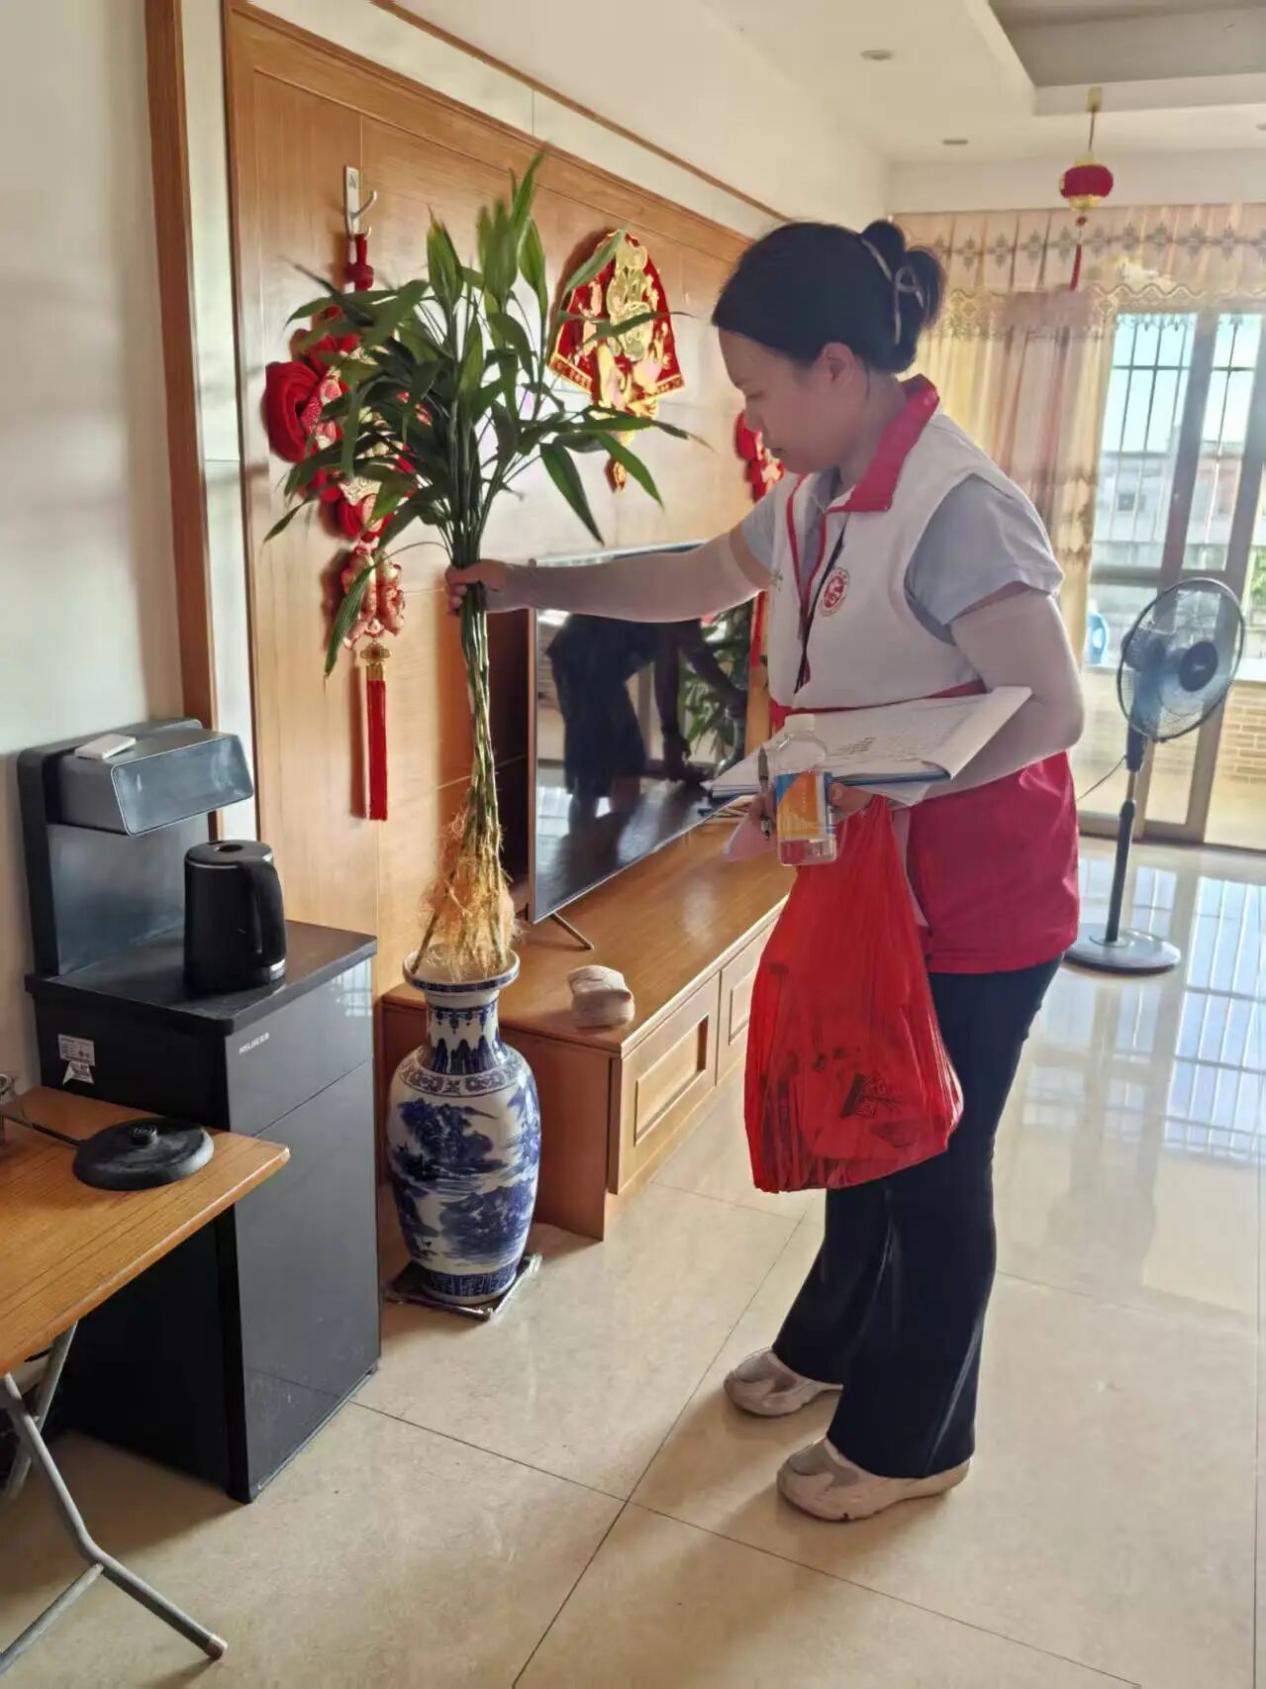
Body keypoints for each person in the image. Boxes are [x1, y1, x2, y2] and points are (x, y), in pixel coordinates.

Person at [447, 219, 1084, 1524]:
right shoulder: (811, 496)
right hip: (864, 881)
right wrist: (529, 584)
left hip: (976, 906)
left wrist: (883, 783)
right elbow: (696, 577)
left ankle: (917, 1440)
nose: (752, 418)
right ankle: (831, 1342)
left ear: (837, 366)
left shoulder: (957, 507)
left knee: (931, 1161)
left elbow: (1052, 710)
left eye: (758, 390)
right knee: (862, 1127)